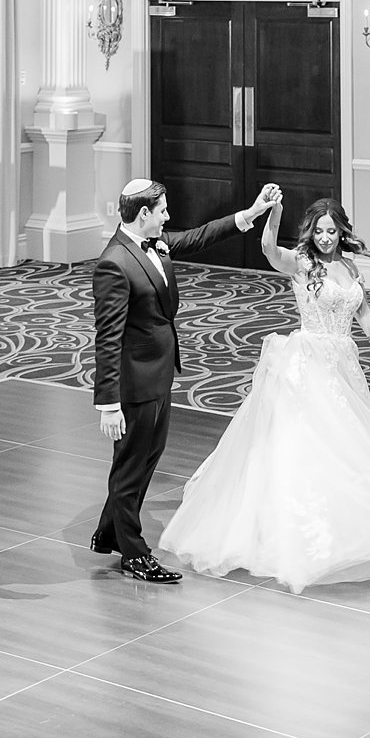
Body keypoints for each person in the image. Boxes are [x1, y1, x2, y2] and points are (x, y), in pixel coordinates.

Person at [159, 194, 370, 594]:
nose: (325, 238)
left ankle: (354, 527)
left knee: (352, 443)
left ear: (342, 231)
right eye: (319, 231)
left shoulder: (349, 266)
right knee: (314, 443)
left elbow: (363, 312)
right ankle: (304, 537)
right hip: (309, 361)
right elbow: (267, 249)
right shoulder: (302, 264)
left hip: (343, 363)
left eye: (332, 231)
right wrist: (275, 213)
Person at [91, 176, 281, 583]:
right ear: (144, 214)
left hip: (158, 374)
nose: (168, 217)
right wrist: (108, 403)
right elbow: (107, 338)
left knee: (146, 459)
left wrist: (251, 213)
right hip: (134, 384)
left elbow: (199, 237)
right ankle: (133, 554)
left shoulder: (154, 242)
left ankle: (109, 531)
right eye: (162, 211)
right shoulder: (115, 263)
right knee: (130, 468)